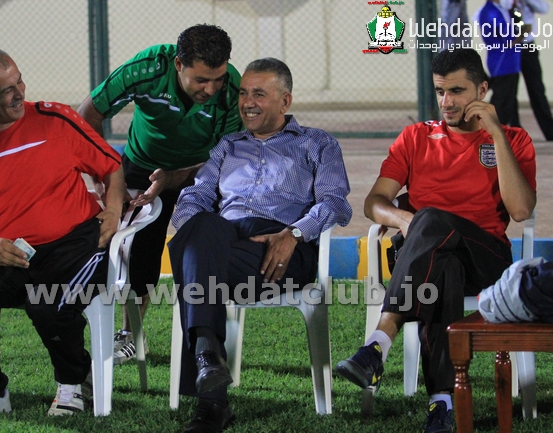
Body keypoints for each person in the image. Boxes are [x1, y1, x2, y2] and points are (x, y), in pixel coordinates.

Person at [335, 48, 536, 433]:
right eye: (441, 91)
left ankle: (379, 342)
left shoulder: (514, 139)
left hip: (486, 257)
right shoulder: (416, 137)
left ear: (482, 90)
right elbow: (374, 202)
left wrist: (496, 134)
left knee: (433, 224)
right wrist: (405, 219)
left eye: (457, 91)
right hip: (427, 259)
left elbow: (522, 210)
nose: (446, 102)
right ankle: (442, 404)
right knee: (444, 269)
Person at [0, 47, 125, 422]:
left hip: (79, 245)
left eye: (19, 81)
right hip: (14, 255)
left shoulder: (56, 119)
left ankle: (73, 382)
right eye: (6, 90)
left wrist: (114, 210)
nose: (19, 93)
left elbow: (112, 166)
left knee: (47, 302)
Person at [168, 58, 352, 433]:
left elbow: (336, 204)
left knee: (194, 260)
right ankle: (207, 356)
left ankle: (210, 389)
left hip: (280, 248)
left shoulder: (317, 143)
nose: (247, 102)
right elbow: (193, 198)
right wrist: (201, 238)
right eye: (243, 93)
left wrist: (294, 233)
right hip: (224, 239)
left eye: (259, 94)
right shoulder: (227, 146)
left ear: (285, 101)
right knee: (201, 228)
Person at [77, 24, 242, 365]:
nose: (211, 89)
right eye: (201, 80)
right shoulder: (147, 69)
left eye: (217, 79)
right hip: (142, 163)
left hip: (204, 170)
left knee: (210, 245)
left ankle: (210, 335)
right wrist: (106, 173)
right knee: (137, 249)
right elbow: (88, 114)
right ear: (178, 64)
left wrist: (174, 178)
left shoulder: (232, 90)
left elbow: (228, 156)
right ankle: (131, 335)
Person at [476, 0, 526, 126]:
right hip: (504, 63)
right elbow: (508, 40)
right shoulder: (492, 13)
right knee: (502, 104)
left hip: (506, 62)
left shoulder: (496, 9)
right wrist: (523, 33)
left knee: (509, 101)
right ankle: (489, 131)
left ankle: (512, 130)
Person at [513, 0, 553, 140]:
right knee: (510, 89)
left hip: (527, 45)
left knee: (537, 88)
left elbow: (544, 8)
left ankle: (549, 130)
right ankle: (514, 129)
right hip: (510, 46)